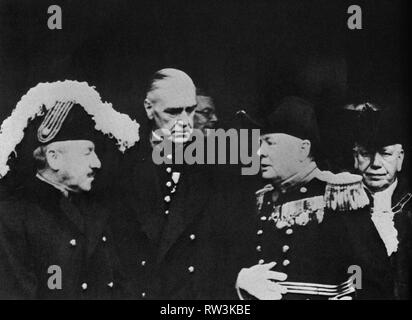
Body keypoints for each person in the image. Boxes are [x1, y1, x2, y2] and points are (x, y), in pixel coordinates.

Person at [115, 68, 250, 299]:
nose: (185, 122)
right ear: (149, 108)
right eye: (173, 112)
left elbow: (233, 243)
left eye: (191, 110)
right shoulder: (123, 165)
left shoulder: (220, 165)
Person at [0, 80, 140, 299]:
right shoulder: (12, 217)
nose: (97, 163)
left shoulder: (96, 211)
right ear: (54, 158)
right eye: (87, 152)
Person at [235, 96, 370, 300]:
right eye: (260, 143)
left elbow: (365, 272)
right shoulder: (262, 200)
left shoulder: (338, 194)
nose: (260, 152)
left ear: (303, 149)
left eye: (270, 143)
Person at [343, 101, 412, 299]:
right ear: (355, 158)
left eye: (385, 154)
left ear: (400, 159)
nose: (375, 164)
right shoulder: (338, 205)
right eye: (366, 154)